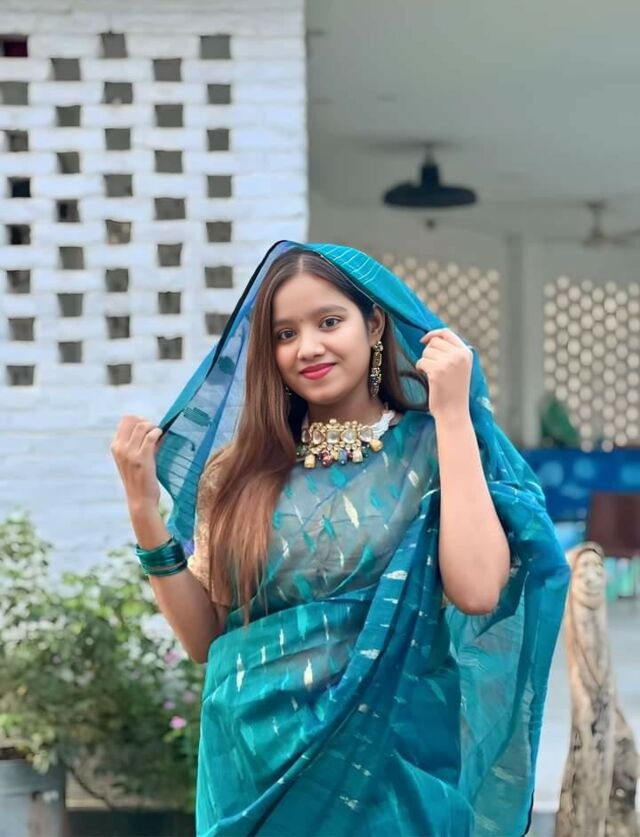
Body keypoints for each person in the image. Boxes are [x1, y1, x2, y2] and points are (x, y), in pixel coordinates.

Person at [111, 241, 571, 837]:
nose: (308, 347)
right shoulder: (238, 472)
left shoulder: (433, 448)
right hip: (253, 770)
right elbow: (206, 639)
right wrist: (143, 512)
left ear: (373, 324)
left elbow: (480, 590)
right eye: (285, 334)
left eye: (329, 322)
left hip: (392, 766)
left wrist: (454, 415)